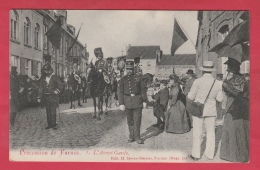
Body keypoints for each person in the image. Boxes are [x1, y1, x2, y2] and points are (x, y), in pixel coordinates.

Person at [188, 61, 223, 161]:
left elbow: (191, 96)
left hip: (198, 110)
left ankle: (196, 155)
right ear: (212, 71)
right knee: (211, 132)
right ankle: (209, 155)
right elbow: (220, 99)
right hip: (211, 111)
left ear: (203, 70)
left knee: (197, 132)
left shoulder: (197, 81)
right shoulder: (218, 83)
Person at [220, 58, 249, 162]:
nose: (228, 70)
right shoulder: (238, 78)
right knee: (236, 129)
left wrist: (226, 86)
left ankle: (235, 155)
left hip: (235, 107)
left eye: (229, 67)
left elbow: (237, 93)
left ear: (234, 68)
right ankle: (235, 154)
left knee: (235, 129)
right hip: (236, 107)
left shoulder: (239, 79)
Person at [118, 61, 147, 144]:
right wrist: (121, 103)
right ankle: (131, 136)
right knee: (130, 120)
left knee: (137, 120)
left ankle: (137, 137)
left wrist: (144, 100)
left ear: (133, 69)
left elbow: (143, 90)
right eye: (128, 69)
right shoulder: (123, 79)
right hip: (127, 101)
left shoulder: (139, 78)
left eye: (131, 69)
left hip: (137, 100)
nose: (129, 71)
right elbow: (120, 92)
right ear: (126, 69)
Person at [38, 63, 64, 130]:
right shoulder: (43, 79)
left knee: (53, 111)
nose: (46, 72)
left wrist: (57, 91)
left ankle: (54, 124)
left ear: (50, 70)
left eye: (47, 70)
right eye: (45, 71)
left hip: (53, 97)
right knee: (48, 111)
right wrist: (39, 97)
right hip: (46, 97)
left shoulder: (55, 77)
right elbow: (40, 88)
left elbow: (61, 85)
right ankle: (49, 124)